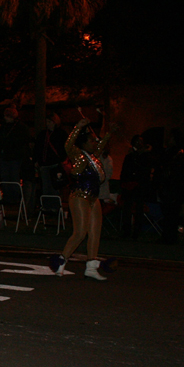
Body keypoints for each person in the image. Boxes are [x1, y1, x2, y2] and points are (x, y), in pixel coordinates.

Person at [50, 117, 117, 280]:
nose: (95, 143)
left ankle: (91, 267)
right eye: (92, 141)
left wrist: (109, 133)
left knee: (95, 232)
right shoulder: (78, 155)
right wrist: (77, 127)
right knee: (80, 232)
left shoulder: (94, 157)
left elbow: (101, 145)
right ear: (84, 143)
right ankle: (61, 260)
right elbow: (67, 145)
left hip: (94, 197)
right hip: (80, 196)